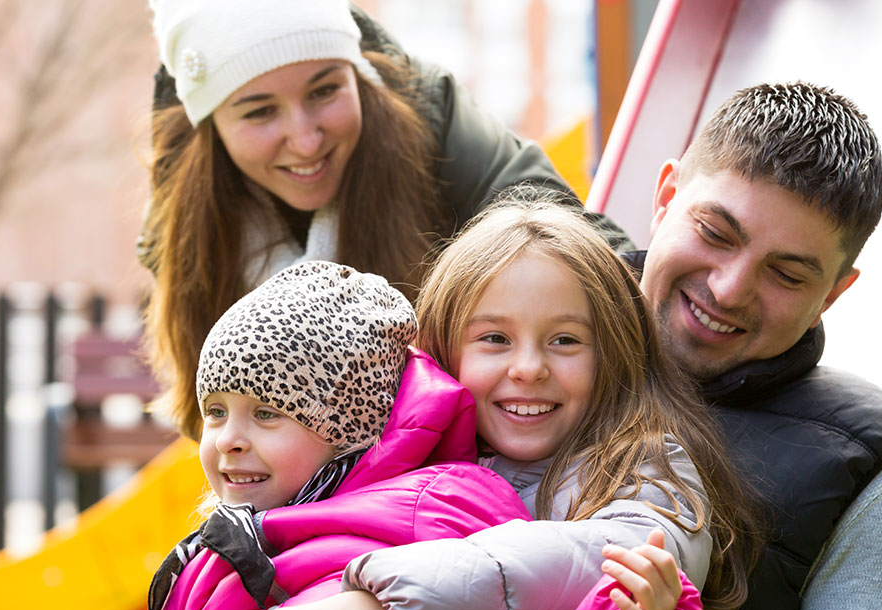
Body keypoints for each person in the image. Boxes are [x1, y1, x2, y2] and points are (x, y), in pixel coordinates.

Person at [216, 193, 761, 610]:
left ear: (615, 352)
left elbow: (617, 556)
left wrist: (374, 609)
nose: (527, 368)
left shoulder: (643, 468)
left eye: (565, 340)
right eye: (494, 339)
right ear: (446, 350)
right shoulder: (390, 457)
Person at [140, 0, 633, 441]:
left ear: (356, 75)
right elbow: (204, 407)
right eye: (260, 112)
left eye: (324, 90)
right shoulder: (188, 208)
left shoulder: (425, 116)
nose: (306, 140)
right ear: (210, 125)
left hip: (457, 458)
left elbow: (576, 246)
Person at [140, 260, 690, 610]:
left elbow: (499, 606)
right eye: (215, 412)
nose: (230, 439)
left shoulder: (432, 506)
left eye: (268, 414)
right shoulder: (254, 529)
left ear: (347, 428)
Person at [630, 81, 882, 610]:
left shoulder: (868, 493)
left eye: (786, 274)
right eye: (714, 232)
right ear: (665, 198)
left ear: (830, 296)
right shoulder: (502, 346)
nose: (729, 290)